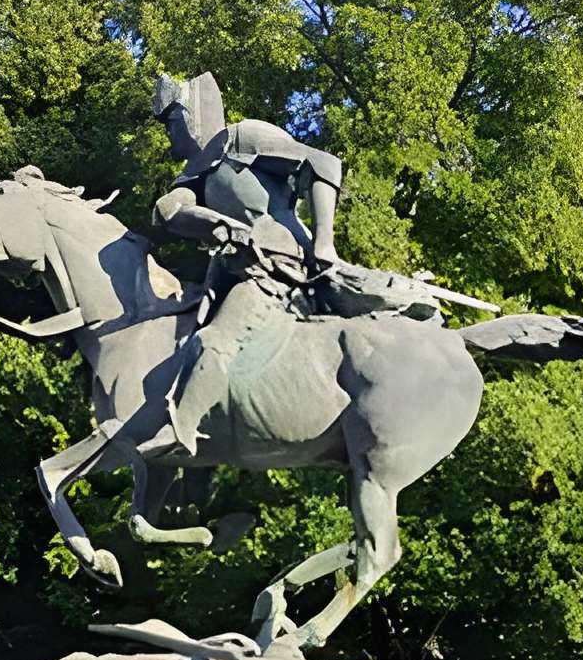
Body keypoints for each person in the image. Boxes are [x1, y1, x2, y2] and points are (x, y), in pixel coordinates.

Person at [150, 72, 435, 452]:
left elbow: (321, 164)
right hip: (231, 276)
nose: (167, 135)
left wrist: (325, 242)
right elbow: (167, 211)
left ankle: (179, 433)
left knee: (217, 340)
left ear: (191, 115)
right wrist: (216, 222)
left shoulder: (242, 138)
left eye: (170, 122)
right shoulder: (194, 176)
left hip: (279, 271)